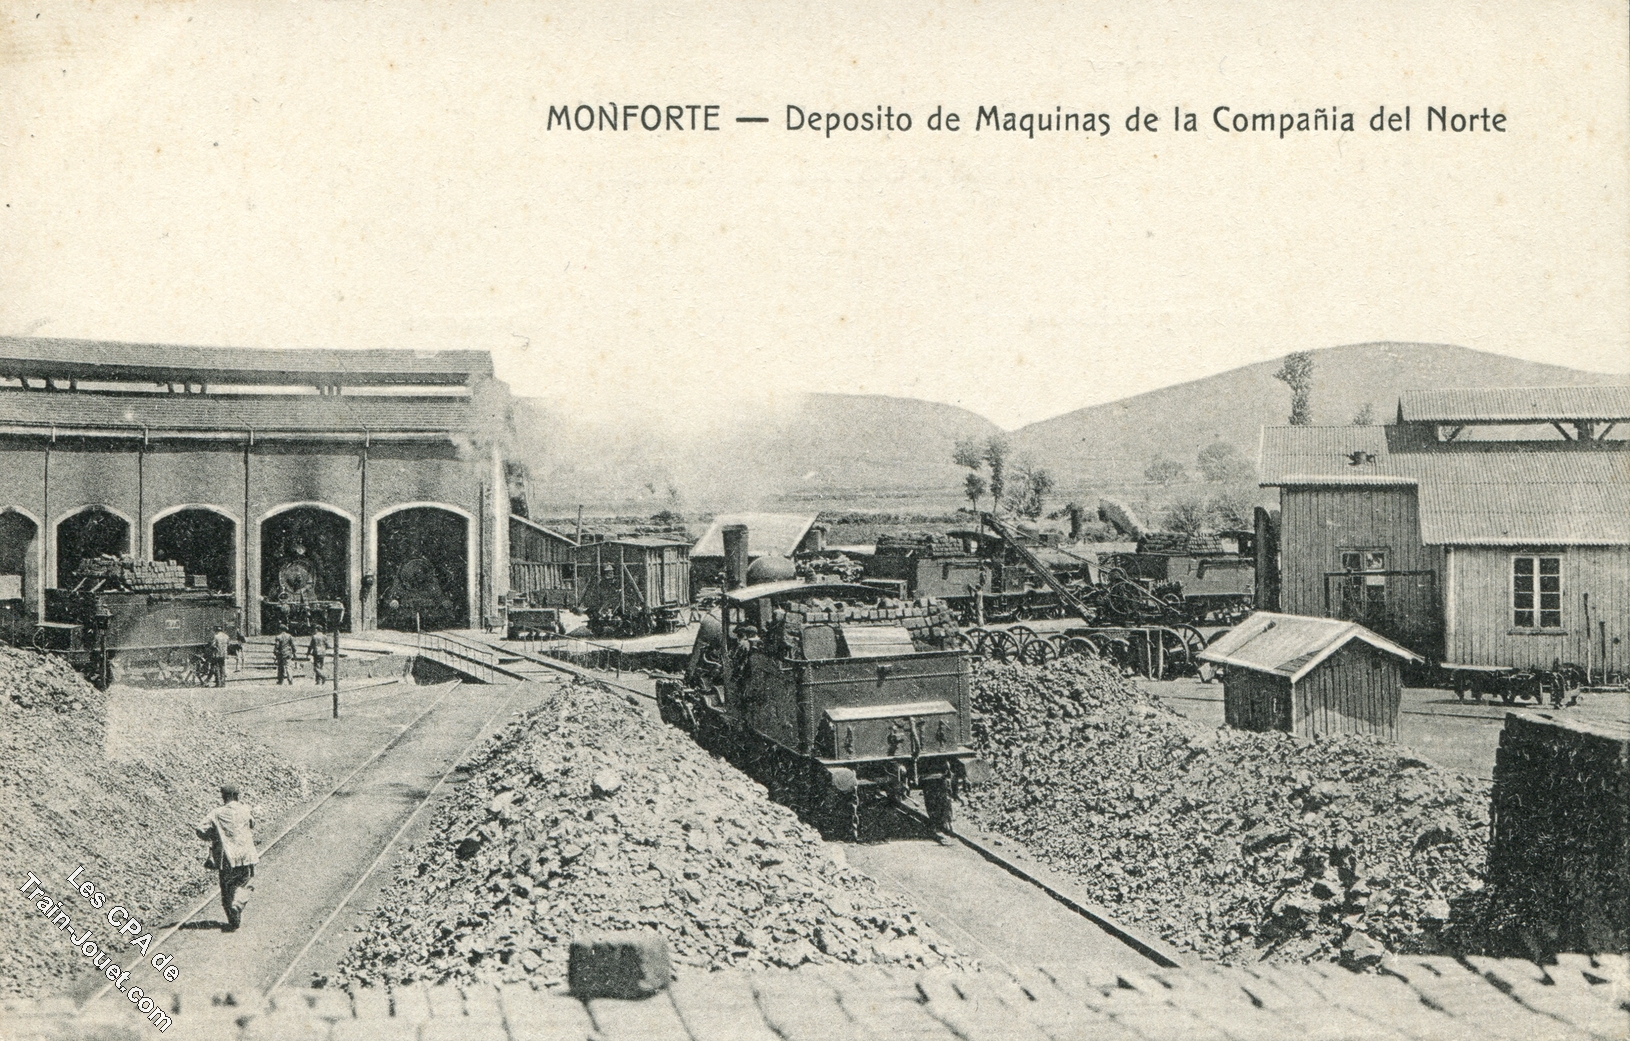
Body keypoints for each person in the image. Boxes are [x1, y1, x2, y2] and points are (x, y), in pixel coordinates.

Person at [195, 785, 258, 931]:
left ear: (224, 796)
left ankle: (233, 920)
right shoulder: (245, 809)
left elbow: (200, 829)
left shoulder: (216, 813)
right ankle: (238, 904)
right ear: (236, 796)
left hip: (227, 858)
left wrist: (214, 836)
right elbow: (252, 824)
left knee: (226, 889)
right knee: (246, 882)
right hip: (246, 855)